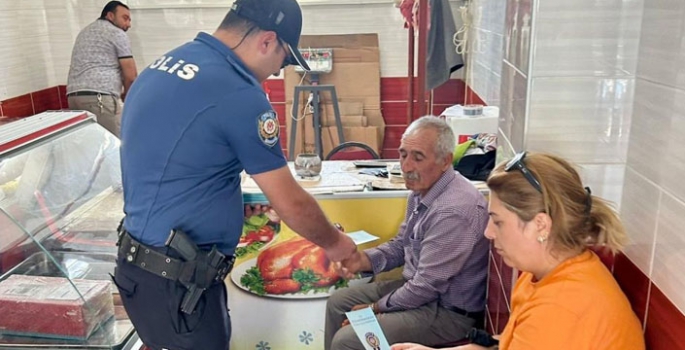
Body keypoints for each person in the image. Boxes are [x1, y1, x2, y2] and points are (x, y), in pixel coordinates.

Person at [114, 0, 356, 349]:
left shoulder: (163, 65)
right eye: (284, 60)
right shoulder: (239, 91)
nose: (276, 72)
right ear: (267, 40)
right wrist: (336, 244)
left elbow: (177, 165)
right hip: (179, 287)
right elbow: (289, 200)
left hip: (139, 271)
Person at [391, 152, 646, 350]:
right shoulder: (545, 272)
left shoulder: (563, 308)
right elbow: (508, 342)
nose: (488, 232)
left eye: (498, 221)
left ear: (540, 225)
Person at [325, 116, 490, 350]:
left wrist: (375, 309)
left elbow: (426, 286)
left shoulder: (453, 210)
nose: (406, 166)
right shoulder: (422, 190)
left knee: (348, 339)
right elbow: (401, 244)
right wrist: (361, 260)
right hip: (422, 294)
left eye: (418, 157)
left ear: (445, 161)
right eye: (403, 154)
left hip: (448, 313)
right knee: (338, 302)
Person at [66, 1, 137, 137]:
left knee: (91, 149)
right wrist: (129, 102)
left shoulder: (84, 32)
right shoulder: (117, 33)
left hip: (74, 98)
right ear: (110, 15)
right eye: (125, 18)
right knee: (114, 147)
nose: (128, 24)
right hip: (99, 100)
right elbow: (131, 76)